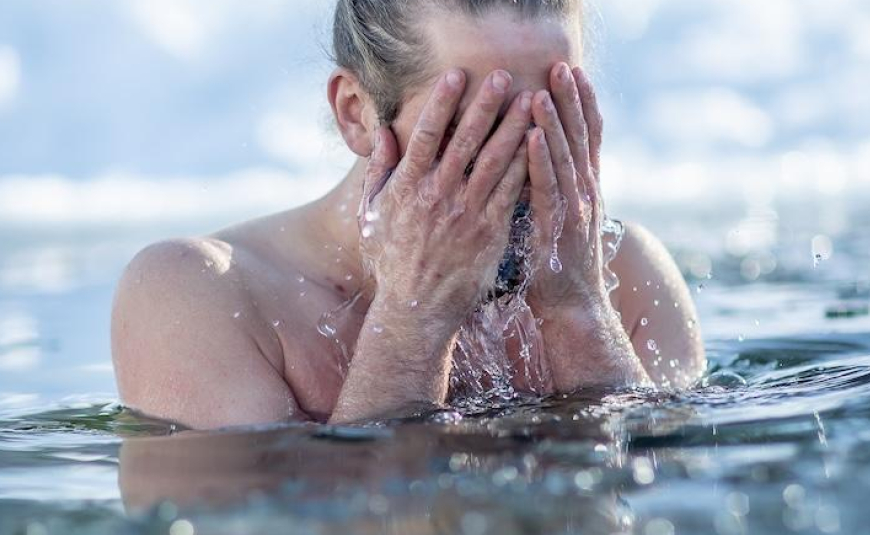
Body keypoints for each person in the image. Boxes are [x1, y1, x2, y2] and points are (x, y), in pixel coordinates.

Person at [110, 0, 705, 429]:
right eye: (476, 129)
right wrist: (411, 322)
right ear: (356, 114)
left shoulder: (627, 278)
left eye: (547, 120)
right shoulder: (197, 295)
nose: (515, 169)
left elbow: (656, 513)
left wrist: (577, 309)